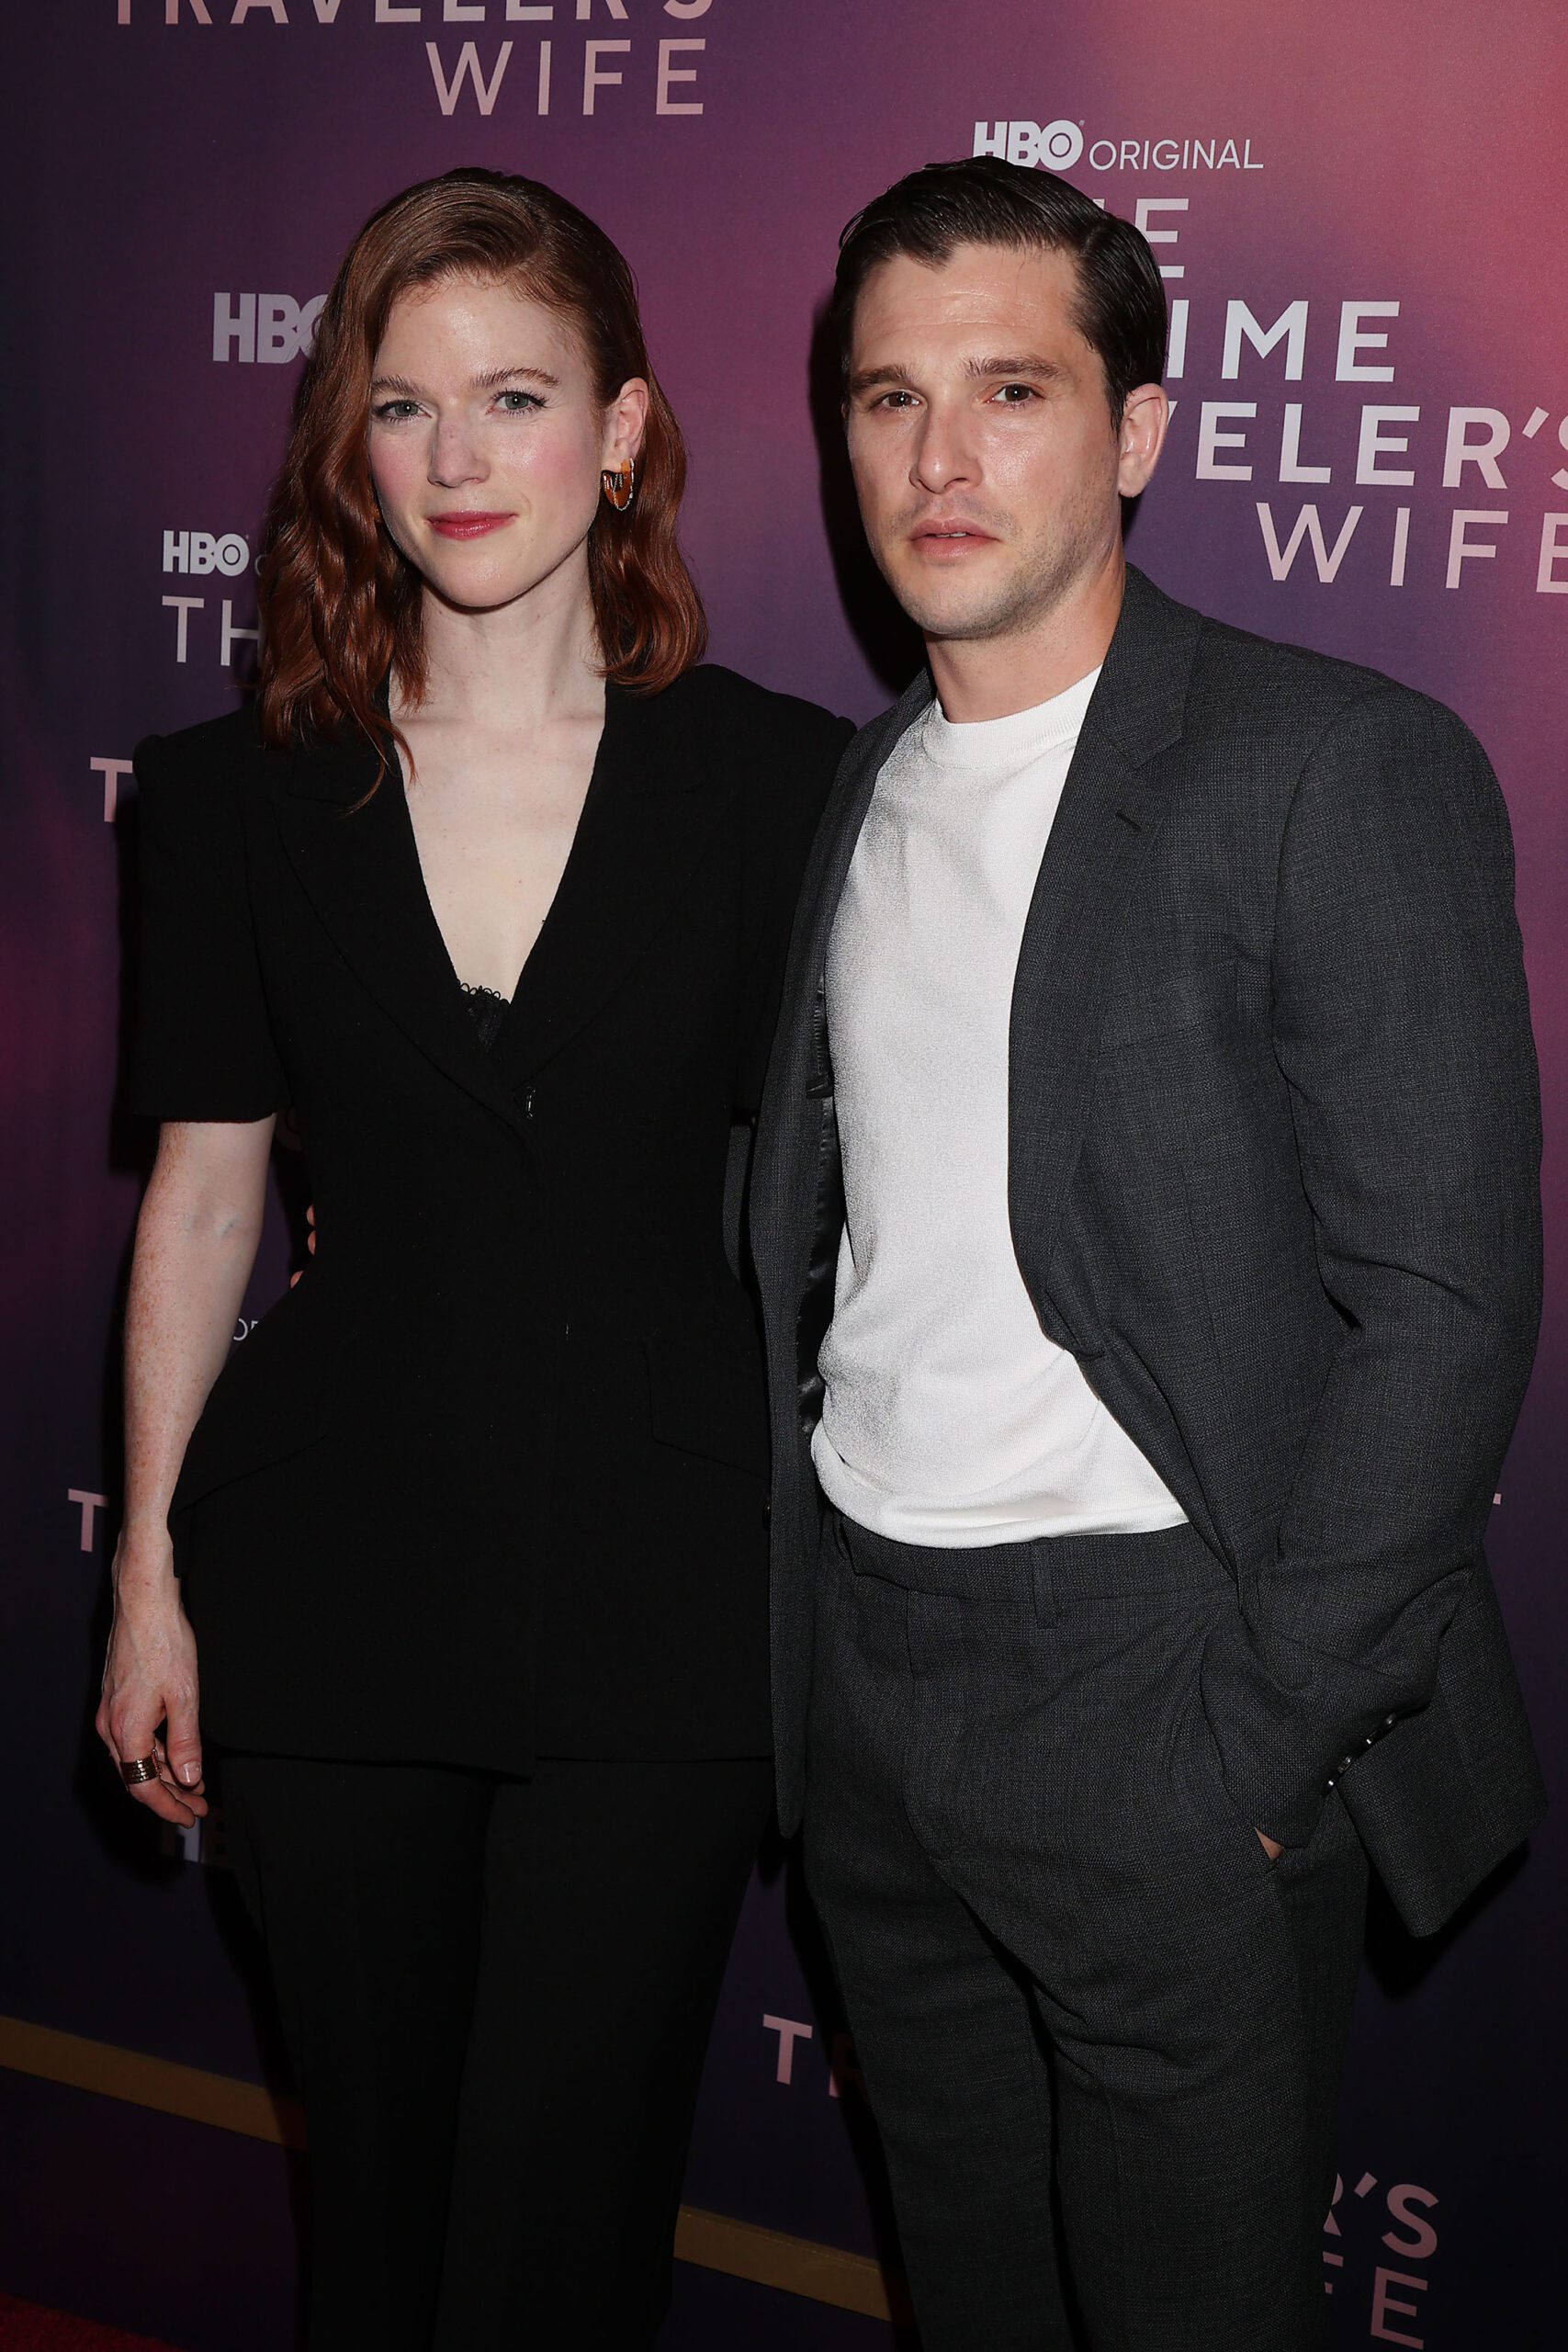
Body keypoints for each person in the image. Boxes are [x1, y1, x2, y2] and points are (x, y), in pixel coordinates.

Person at [750, 157, 1545, 2351]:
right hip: (872, 1676)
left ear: (1143, 431)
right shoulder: (867, 784)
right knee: (972, 2293)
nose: (936, 457)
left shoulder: (1327, 764)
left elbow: (1448, 1302)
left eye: (1010, 387)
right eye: (884, 395)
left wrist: (1253, 1735)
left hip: (1161, 1691)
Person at [96, 166, 849, 2350]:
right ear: (350, 440)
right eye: (403, 406)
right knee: (385, 2224)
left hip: (665, 1603)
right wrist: (149, 1567)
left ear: (618, 428)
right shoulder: (235, 794)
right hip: (327, 1583)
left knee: (564, 2227)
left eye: (512, 398)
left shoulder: (779, 788)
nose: (454, 462)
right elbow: (208, 1193)